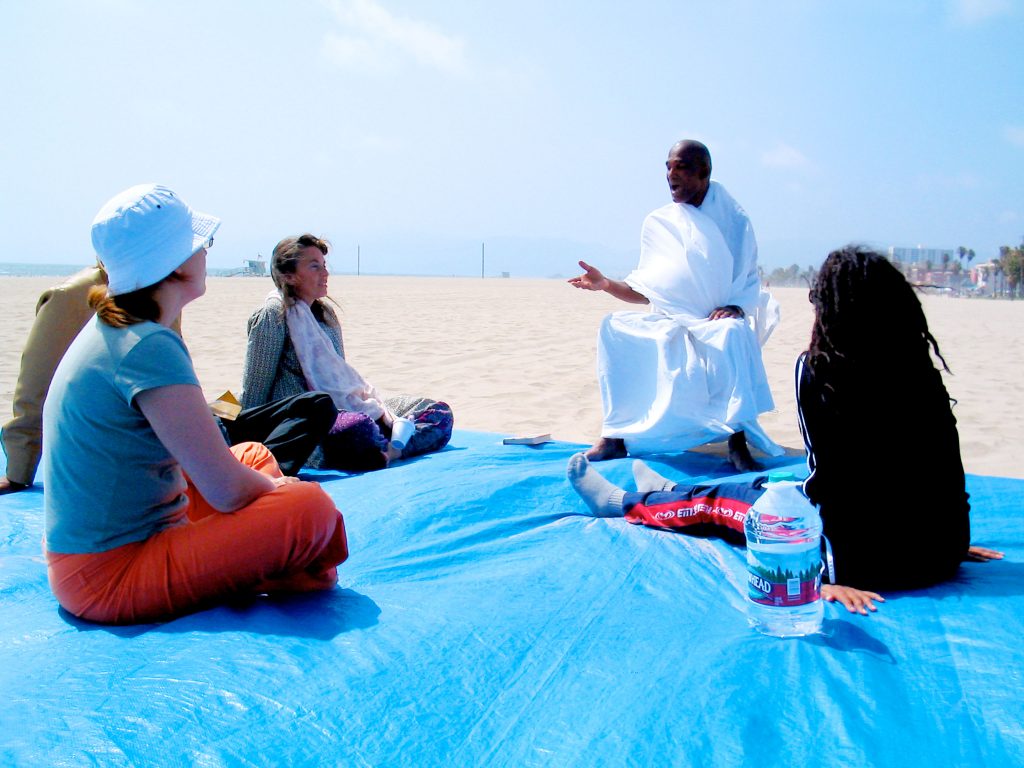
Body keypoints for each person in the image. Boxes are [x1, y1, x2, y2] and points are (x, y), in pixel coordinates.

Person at [567, 245, 1003, 612]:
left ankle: (625, 502)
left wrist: (831, 573)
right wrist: (949, 543)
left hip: (863, 561)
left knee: (720, 503)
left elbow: (836, 483)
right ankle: (667, 490)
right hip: (937, 555)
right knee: (768, 482)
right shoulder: (921, 372)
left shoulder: (820, 370)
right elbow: (948, 468)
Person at [42, 184, 348, 624]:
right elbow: (228, 491)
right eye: (202, 244)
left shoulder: (119, 330)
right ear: (175, 264)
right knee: (310, 508)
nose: (206, 253)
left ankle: (274, 563)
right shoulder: (149, 346)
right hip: (108, 575)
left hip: (96, 555)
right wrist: (285, 494)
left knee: (254, 454)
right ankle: (284, 566)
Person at [0, 270, 335, 492]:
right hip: (164, 431)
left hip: (191, 415)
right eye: (315, 265)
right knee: (306, 505)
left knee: (316, 404)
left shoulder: (161, 293)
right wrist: (19, 471)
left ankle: (252, 468)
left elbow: (183, 382)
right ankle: (260, 475)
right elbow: (36, 388)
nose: (325, 273)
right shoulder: (72, 300)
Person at [569, 139, 779, 471]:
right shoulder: (659, 222)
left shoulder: (734, 219)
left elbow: (748, 277)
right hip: (672, 320)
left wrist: (736, 307)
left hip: (714, 320)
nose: (671, 174)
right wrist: (605, 284)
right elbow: (646, 290)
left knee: (732, 334)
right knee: (615, 328)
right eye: (667, 167)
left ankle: (737, 443)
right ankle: (615, 438)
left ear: (704, 171)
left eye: (680, 167)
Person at [241, 234, 453, 472]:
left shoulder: (326, 316)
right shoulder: (272, 316)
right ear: (288, 276)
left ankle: (391, 450)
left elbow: (340, 381)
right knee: (358, 428)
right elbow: (255, 394)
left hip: (349, 406)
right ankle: (384, 445)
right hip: (313, 422)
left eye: (324, 265)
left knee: (437, 411)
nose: (325, 273)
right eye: (314, 266)